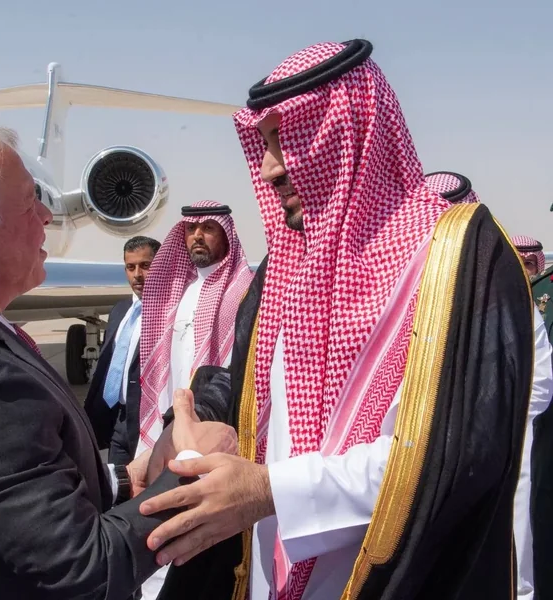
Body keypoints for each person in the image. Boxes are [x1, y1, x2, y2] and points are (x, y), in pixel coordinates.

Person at [141, 39, 536, 599]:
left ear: (350, 135)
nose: (271, 168)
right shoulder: (285, 265)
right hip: (267, 570)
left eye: (287, 139)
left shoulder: (459, 258)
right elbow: (254, 387)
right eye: (265, 144)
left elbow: (458, 453)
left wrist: (271, 491)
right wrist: (203, 418)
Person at [0, 120, 238, 600]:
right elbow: (89, 569)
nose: (46, 216)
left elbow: (6, 499)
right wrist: (191, 467)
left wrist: (124, 480)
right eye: (27, 203)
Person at [426, 171, 553, 600]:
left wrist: (478, 428)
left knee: (507, 562)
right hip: (420, 457)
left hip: (499, 451)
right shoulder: (410, 292)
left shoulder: (506, 289)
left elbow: (538, 383)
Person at [135, 200, 254, 599]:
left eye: (208, 228)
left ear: (226, 234)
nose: (198, 236)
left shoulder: (243, 290)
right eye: (191, 229)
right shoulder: (178, 290)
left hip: (211, 427)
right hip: (168, 422)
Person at [84, 235, 161, 461]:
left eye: (145, 265)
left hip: (151, 422)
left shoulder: (170, 312)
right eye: (130, 267)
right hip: (118, 421)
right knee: (116, 479)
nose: (137, 274)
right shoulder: (120, 311)